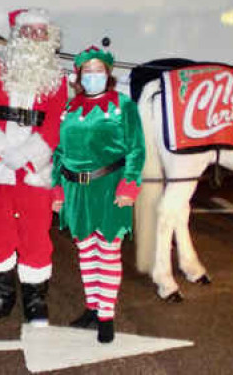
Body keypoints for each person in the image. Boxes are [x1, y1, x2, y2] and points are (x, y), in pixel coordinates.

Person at [0, 8, 67, 327]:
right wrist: (0, 151)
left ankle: (36, 302)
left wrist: (27, 155)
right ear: (16, 35)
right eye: (28, 32)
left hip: (34, 172)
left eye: (41, 32)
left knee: (36, 235)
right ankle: (0, 299)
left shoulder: (57, 79)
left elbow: (54, 125)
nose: (34, 38)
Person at [52, 45, 145, 343]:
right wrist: (55, 188)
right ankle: (93, 307)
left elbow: (136, 149)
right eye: (87, 71)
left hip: (109, 188)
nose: (94, 75)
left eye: (99, 70)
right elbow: (59, 151)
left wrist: (130, 185)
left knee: (107, 252)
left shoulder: (123, 105)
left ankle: (106, 316)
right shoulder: (70, 108)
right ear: (79, 75)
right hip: (75, 190)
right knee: (86, 252)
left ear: (108, 73)